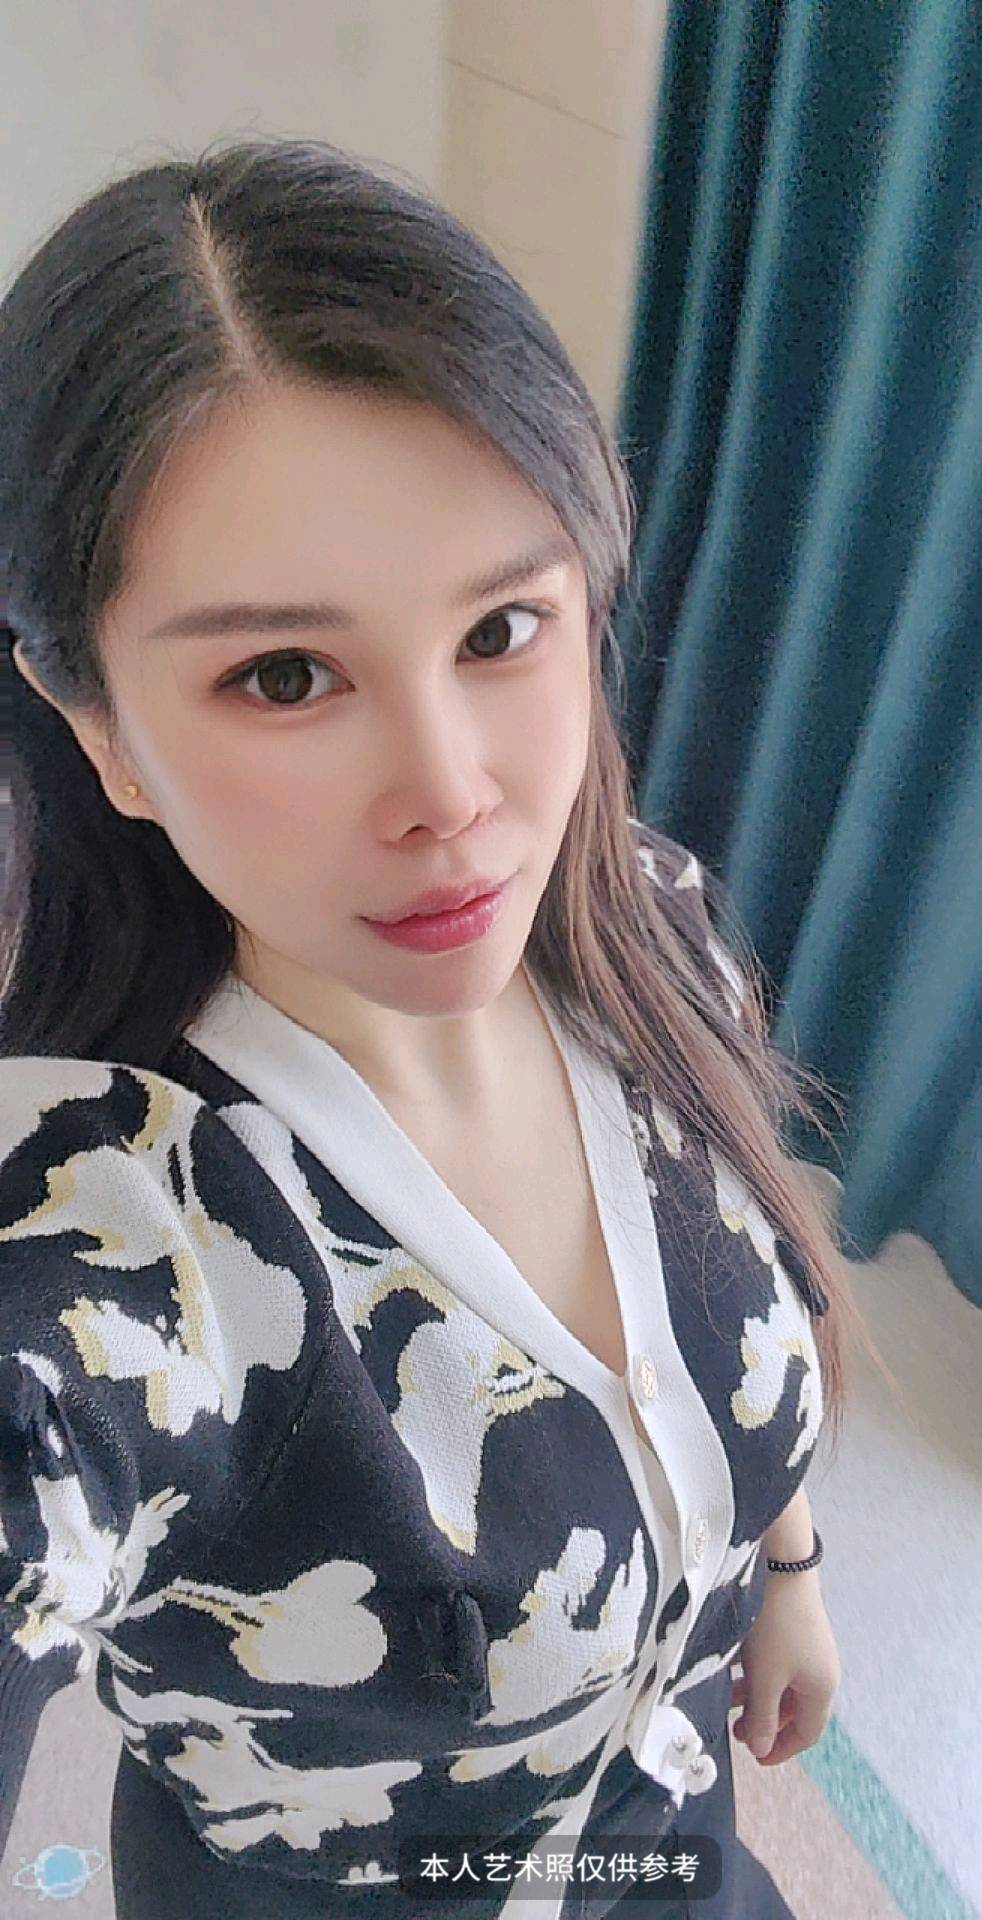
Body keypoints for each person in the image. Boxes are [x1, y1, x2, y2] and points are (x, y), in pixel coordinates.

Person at [0, 135, 894, 1919]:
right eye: (283, 675)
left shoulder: (654, 924)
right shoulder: (124, 1244)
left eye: (502, 628)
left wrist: (783, 1570)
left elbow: (749, 1303)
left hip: (672, 1851)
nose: (455, 793)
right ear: (97, 726)